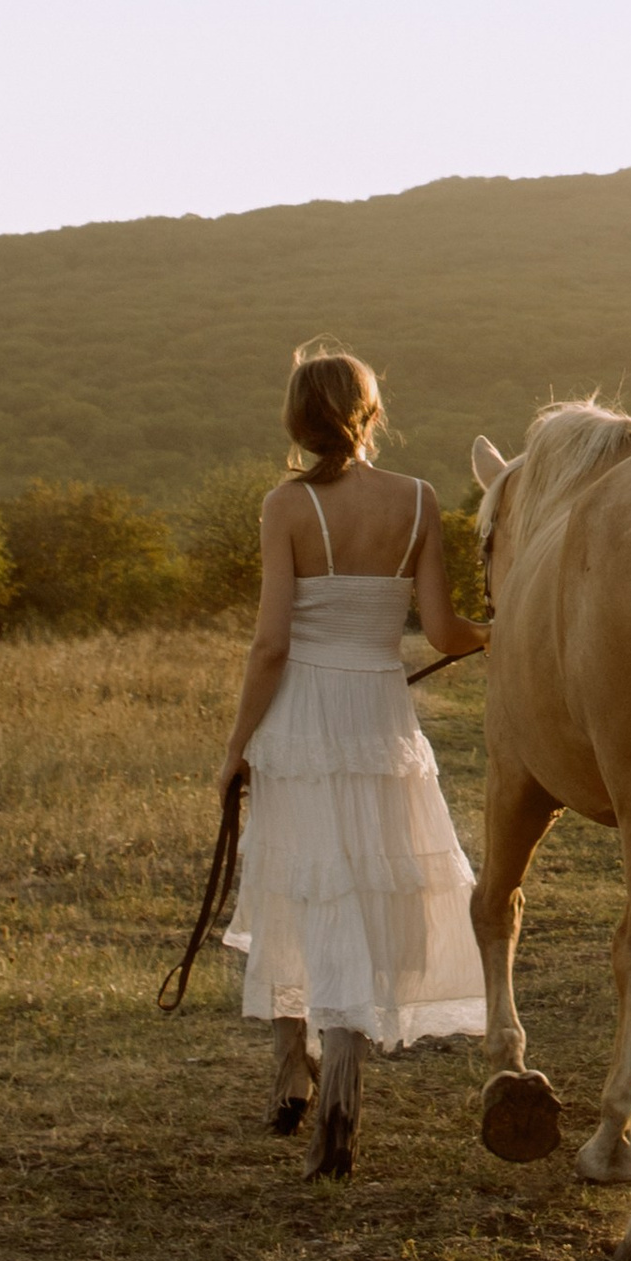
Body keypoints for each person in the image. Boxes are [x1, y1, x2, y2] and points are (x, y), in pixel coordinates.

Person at [215, 341, 487, 1177]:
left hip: (303, 710)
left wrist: (236, 750)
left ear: (298, 421)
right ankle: (310, 1071)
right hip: (379, 709)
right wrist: (496, 633)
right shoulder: (417, 500)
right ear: (370, 415)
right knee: (365, 878)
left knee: (303, 878)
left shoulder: (286, 506)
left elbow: (270, 645)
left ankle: (321, 1075)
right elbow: (442, 633)